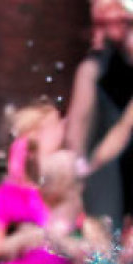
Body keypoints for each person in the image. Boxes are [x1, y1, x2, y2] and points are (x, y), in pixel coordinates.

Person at [0, 147, 110, 264]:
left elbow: (97, 255)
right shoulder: (28, 214)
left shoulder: (81, 224)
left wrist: (60, 241)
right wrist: (22, 241)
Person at [65, 0, 133, 228]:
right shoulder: (95, 67)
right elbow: (79, 122)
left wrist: (88, 167)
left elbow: (123, 130)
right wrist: (77, 168)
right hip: (108, 155)